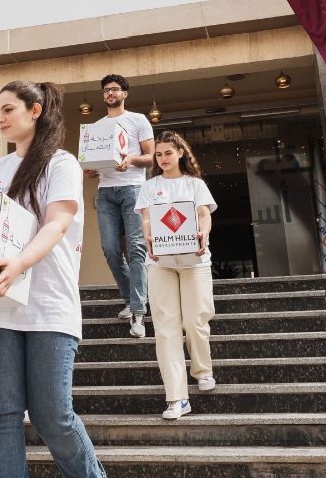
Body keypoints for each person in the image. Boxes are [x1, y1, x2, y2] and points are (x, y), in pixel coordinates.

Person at [0, 80, 105, 478]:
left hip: (48, 303)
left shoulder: (60, 163)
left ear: (35, 110)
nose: (0, 118)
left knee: (53, 415)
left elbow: (57, 223)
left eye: (8, 109)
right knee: (1, 414)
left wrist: (18, 264)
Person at [137, 131, 217, 421]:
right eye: (158, 154)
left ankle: (202, 370)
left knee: (196, 320)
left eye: (168, 153)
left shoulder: (195, 184)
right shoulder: (150, 187)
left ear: (181, 153)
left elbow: (204, 214)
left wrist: (203, 233)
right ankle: (177, 398)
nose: (163, 158)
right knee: (166, 329)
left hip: (195, 261)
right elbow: (147, 218)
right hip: (161, 263)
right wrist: (148, 236)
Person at [86, 74, 155, 337]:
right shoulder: (97, 126)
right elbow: (95, 159)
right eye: (106, 90)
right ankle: (130, 298)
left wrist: (132, 160)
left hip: (134, 188)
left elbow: (150, 157)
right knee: (110, 248)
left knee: (137, 248)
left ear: (125, 93)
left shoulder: (138, 120)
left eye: (115, 89)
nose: (110, 93)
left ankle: (138, 312)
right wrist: (91, 169)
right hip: (106, 191)